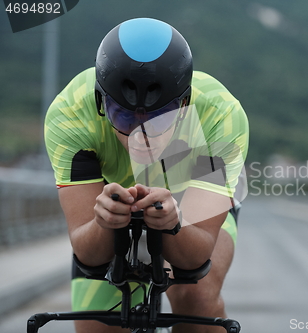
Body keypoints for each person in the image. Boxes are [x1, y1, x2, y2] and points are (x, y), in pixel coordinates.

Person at [44, 17, 249, 333]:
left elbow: (195, 257)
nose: (140, 134)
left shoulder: (221, 116)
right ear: (100, 103)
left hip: (190, 201)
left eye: (158, 118)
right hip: (111, 207)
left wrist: (173, 224)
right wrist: (103, 222)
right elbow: (89, 255)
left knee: (196, 296)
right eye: (122, 115)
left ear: (184, 105)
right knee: (97, 326)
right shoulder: (71, 112)